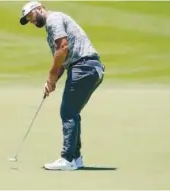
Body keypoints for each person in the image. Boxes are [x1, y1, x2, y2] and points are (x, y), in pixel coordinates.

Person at [19, 1, 105, 171]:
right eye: (28, 19)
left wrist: (50, 76)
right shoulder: (49, 32)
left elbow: (63, 48)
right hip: (88, 68)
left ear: (39, 9)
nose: (31, 21)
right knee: (72, 111)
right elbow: (62, 63)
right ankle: (76, 158)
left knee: (68, 111)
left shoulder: (53, 19)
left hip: (84, 66)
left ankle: (67, 159)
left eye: (31, 16)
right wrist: (51, 83)